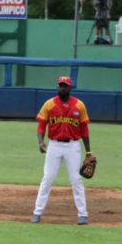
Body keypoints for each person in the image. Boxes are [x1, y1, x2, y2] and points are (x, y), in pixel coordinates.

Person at [31, 76, 92, 225]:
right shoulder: (49, 104)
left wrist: (88, 152)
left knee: (76, 179)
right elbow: (41, 125)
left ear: (70, 88)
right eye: (60, 85)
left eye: (65, 86)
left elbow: (84, 129)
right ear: (57, 87)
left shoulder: (79, 105)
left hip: (73, 146)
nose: (62, 88)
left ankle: (83, 214)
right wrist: (40, 142)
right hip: (54, 145)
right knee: (48, 178)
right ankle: (37, 213)